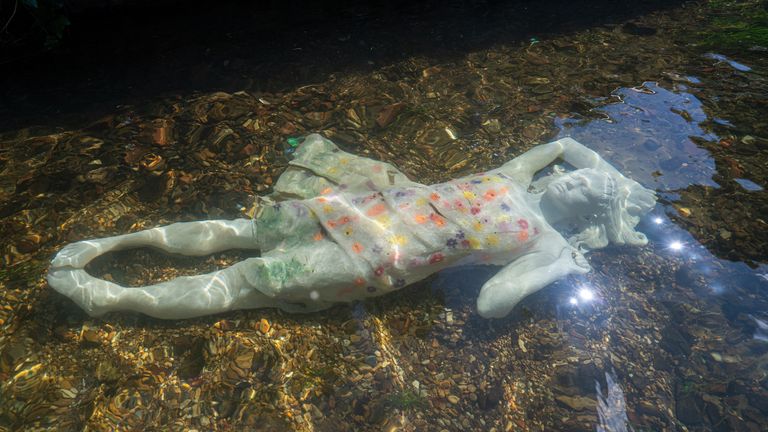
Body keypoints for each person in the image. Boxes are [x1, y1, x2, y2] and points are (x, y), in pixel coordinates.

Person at [48, 134, 656, 319]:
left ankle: (117, 298)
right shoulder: (512, 179)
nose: (576, 181)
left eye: (590, 193)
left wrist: (556, 266)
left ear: (588, 216)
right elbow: (565, 144)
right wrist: (612, 177)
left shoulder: (545, 243)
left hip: (375, 260)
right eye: (580, 178)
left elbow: (493, 303)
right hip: (356, 211)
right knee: (243, 228)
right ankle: (118, 242)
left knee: (239, 284)